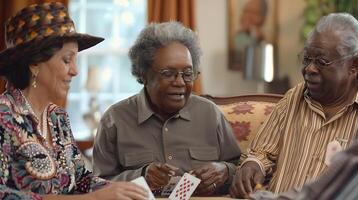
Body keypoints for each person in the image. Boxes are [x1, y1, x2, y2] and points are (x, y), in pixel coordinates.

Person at [250, 2, 358, 199]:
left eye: (322, 62)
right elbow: (260, 152)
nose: (309, 69)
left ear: (355, 65)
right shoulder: (294, 97)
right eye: (306, 59)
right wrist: (253, 163)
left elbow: (330, 194)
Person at [0, 2, 148, 200]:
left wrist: (125, 190)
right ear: (34, 62)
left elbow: (81, 179)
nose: (75, 71)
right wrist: (91, 199)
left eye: (76, 59)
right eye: (66, 60)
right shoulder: (4, 116)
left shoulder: (57, 117)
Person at [92, 21, 241, 196]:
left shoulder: (210, 114)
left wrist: (224, 170)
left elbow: (240, 167)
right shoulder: (115, 120)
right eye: (168, 74)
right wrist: (142, 176)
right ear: (144, 75)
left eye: (187, 74)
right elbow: (97, 186)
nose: (179, 82)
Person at [231, 0, 268, 71]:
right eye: (246, 11)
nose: (248, 16)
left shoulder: (262, 39)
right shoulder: (237, 36)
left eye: (254, 12)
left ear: (262, 17)